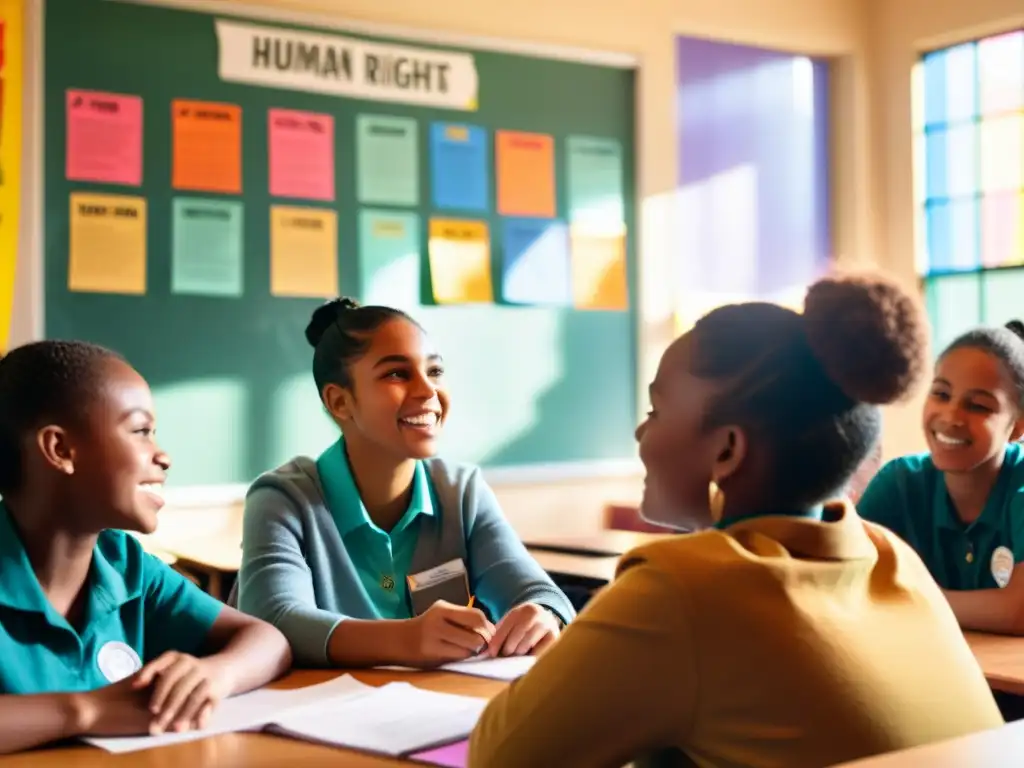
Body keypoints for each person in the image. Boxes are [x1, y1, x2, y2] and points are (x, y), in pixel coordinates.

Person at [468, 274, 1003, 768]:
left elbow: (497, 756)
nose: (641, 433)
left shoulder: (682, 590)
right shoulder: (890, 556)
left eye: (656, 412)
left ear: (727, 450)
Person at [237, 298, 575, 669]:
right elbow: (275, 620)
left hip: (429, 714)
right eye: (397, 374)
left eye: (434, 371)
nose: (428, 391)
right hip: (310, 712)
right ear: (339, 402)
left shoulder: (461, 491)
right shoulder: (283, 498)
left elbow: (536, 592)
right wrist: (406, 638)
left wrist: (542, 614)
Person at [0, 340, 292, 755]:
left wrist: (215, 674)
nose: (164, 456)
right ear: (60, 449)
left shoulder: (124, 564)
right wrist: (86, 711)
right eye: (140, 431)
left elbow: (267, 640)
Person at [858, 321, 1024, 636]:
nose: (950, 417)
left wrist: (912, 596)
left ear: (1017, 427)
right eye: (941, 394)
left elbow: (1020, 612)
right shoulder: (900, 482)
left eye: (978, 405)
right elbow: (849, 585)